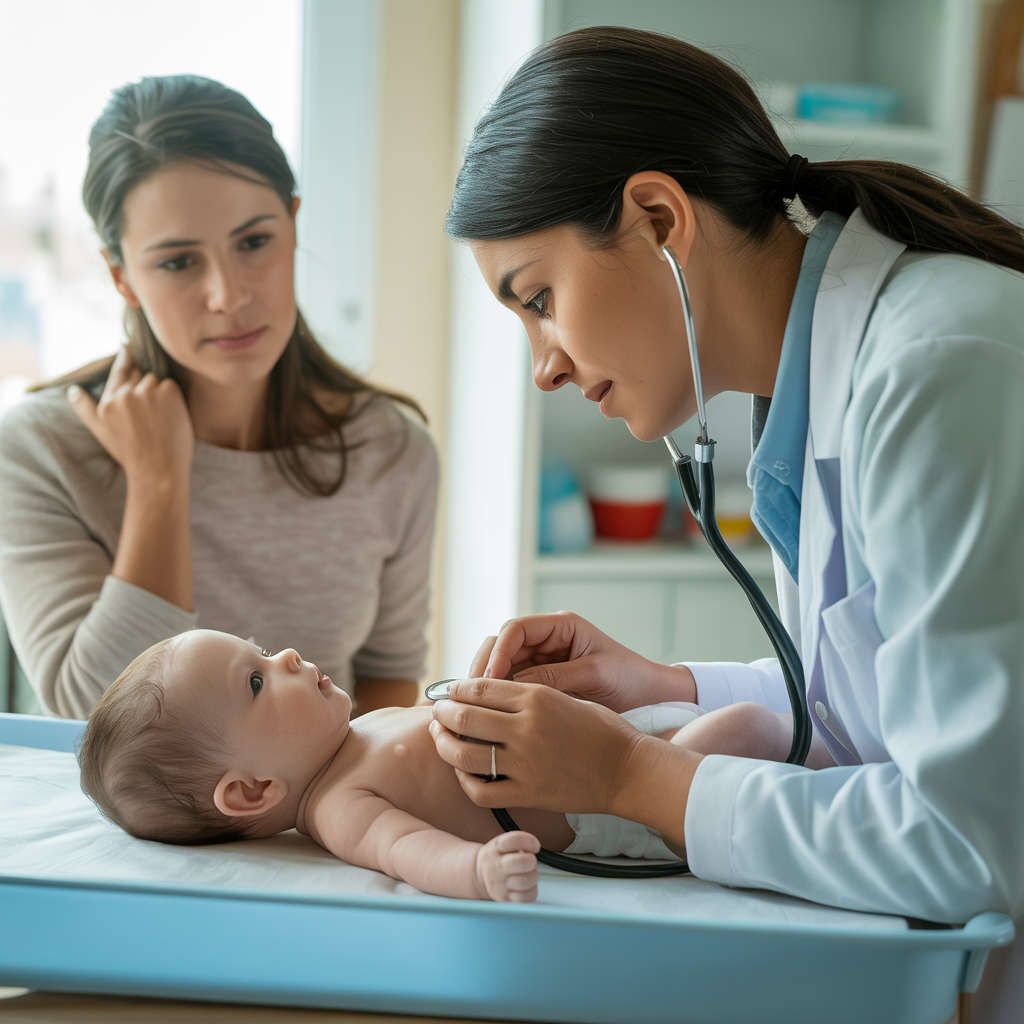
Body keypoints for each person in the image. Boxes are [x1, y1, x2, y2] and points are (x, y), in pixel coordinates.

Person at [429, 27, 1024, 1018]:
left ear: (660, 219)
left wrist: (632, 773)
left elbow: (966, 835)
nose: (545, 363)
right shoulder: (804, 400)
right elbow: (896, 698)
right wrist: (662, 685)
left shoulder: (937, 370)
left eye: (539, 299)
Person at [0, 76, 437, 721]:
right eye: (178, 262)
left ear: (291, 224)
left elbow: (388, 683)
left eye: (254, 242)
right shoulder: (40, 448)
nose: (227, 295)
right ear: (122, 276)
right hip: (123, 823)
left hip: (321, 818)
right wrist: (157, 484)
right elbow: (93, 713)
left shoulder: (389, 449)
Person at [75, 628, 754, 901]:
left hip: (608, 742)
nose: (282, 657)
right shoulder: (340, 808)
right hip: (608, 802)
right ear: (251, 790)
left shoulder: (359, 730)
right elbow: (411, 853)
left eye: (258, 649)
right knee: (748, 731)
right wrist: (480, 871)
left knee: (758, 727)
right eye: (254, 681)